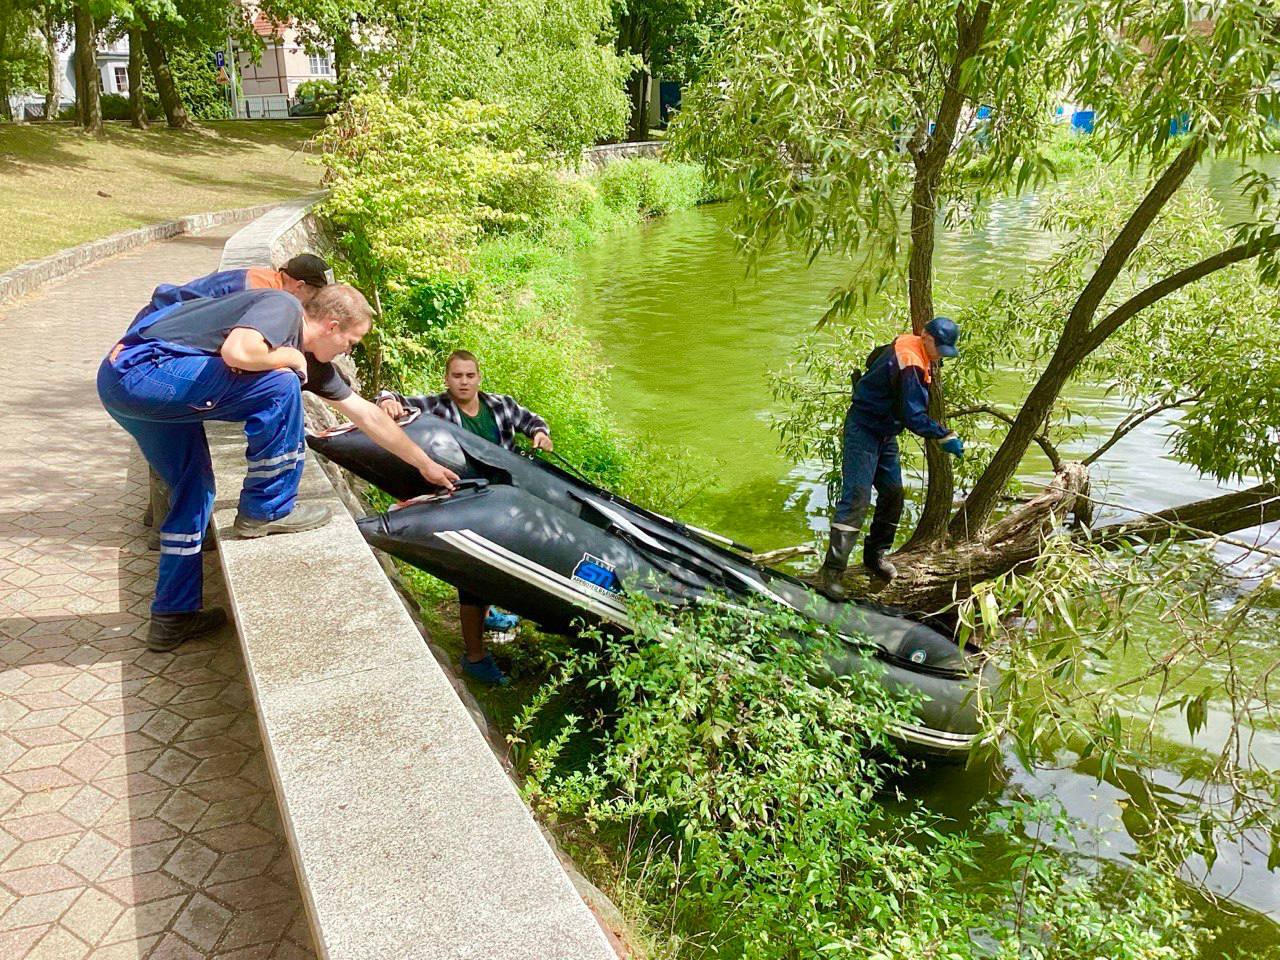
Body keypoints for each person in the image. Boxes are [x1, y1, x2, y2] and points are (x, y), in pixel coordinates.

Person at [98, 285, 460, 653]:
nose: (348, 351)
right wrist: (288, 356)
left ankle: (172, 615)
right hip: (145, 370)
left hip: (124, 384)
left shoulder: (313, 362)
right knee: (282, 383)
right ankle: (268, 508)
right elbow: (238, 352)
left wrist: (425, 465)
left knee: (195, 490)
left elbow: (368, 415)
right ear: (333, 325)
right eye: (351, 341)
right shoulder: (283, 307)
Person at [376, 350, 552, 685]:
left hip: (505, 502)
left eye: (469, 376)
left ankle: (487, 618)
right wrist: (387, 400)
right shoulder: (437, 407)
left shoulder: (501, 405)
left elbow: (533, 422)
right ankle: (474, 657)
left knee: (496, 569)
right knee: (472, 579)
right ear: (447, 379)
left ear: (478, 378)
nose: (464, 382)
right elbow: (391, 396)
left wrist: (539, 435)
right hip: (464, 503)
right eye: (457, 376)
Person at [817, 316, 965, 600]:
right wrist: (944, 435)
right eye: (939, 348)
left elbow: (876, 362)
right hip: (864, 428)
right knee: (857, 497)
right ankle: (832, 573)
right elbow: (913, 416)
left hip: (885, 432)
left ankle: (875, 556)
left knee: (894, 492)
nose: (939, 356)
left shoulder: (914, 349)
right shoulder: (910, 359)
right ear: (927, 337)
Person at [133, 253, 333, 323]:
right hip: (157, 322)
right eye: (315, 294)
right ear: (300, 286)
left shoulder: (266, 278)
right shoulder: (261, 292)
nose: (313, 302)